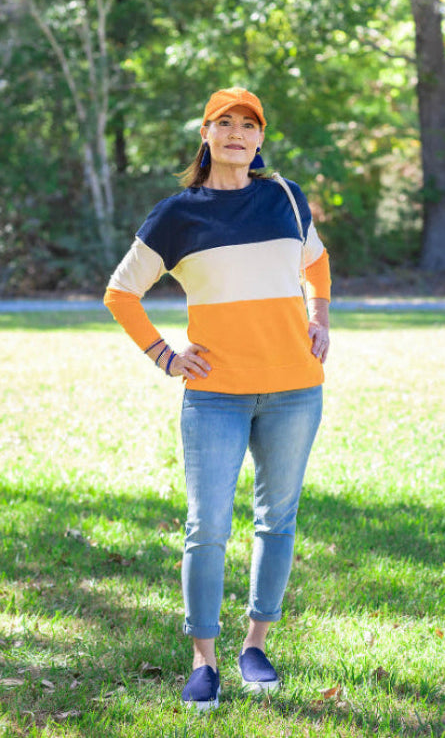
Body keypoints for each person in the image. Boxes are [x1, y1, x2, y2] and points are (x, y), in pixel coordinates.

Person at [104, 86, 331, 711]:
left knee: (276, 521)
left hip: (295, 389)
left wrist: (322, 317)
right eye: (223, 122)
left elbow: (316, 262)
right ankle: (204, 659)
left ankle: (255, 644)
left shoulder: (285, 197)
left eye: (248, 124)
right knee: (207, 527)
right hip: (213, 396)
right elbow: (121, 293)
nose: (236, 132)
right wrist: (164, 355)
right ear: (205, 135)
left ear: (260, 139)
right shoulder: (177, 214)